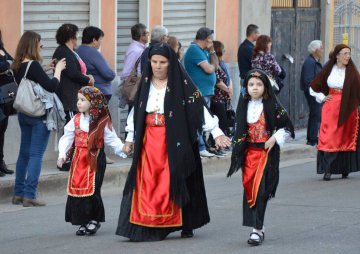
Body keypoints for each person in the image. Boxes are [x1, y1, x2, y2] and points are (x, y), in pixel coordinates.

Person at [116, 44, 231, 242]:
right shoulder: (145, 83)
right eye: (154, 62)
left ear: (171, 63)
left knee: (178, 180)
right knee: (149, 182)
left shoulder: (182, 84)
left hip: (176, 139)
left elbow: (199, 108)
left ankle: (184, 222)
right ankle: (149, 222)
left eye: (162, 62)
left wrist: (216, 132)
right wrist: (129, 138)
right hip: (149, 141)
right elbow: (137, 111)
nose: (158, 66)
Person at [227, 69, 294, 246]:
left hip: (266, 155)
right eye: (251, 85)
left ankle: (256, 229)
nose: (254, 88)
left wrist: (275, 138)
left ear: (265, 87)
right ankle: (259, 226)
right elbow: (239, 130)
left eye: (258, 84)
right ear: (246, 87)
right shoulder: (242, 106)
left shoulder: (273, 106)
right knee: (251, 192)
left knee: (262, 191)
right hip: (249, 155)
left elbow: (287, 128)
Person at [57, 86, 128, 236]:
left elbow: (111, 138)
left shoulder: (102, 121)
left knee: (93, 189)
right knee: (78, 189)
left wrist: (122, 148)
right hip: (78, 159)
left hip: (95, 158)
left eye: (83, 100)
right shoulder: (75, 119)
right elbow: (67, 137)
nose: (79, 103)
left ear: (93, 102)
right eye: (78, 100)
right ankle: (83, 220)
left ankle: (94, 220)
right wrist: (62, 154)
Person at [11, 31, 66, 206]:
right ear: (33, 45)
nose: (42, 46)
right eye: (40, 43)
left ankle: (18, 194)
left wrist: (47, 69)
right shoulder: (33, 65)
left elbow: (31, 79)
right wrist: (57, 71)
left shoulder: (18, 64)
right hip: (38, 116)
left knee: (24, 154)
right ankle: (30, 195)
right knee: (36, 155)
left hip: (24, 114)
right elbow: (51, 87)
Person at [310, 44, 360, 181]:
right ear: (337, 56)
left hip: (349, 108)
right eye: (345, 53)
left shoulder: (352, 72)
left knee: (345, 138)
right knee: (329, 137)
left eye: (349, 53)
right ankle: (327, 169)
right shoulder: (328, 70)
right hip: (331, 108)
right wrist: (323, 97)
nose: (348, 56)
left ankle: (344, 168)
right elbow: (312, 88)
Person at [184, 27, 219, 158]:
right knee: (199, 120)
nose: (212, 42)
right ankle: (200, 147)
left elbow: (216, 66)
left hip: (206, 92)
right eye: (211, 40)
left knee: (205, 121)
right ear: (207, 39)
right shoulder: (194, 50)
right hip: (199, 92)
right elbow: (210, 69)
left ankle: (203, 146)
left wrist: (213, 51)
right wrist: (212, 63)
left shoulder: (204, 51)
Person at [53, 23, 95, 124]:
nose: (78, 38)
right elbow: (73, 73)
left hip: (74, 96)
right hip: (69, 99)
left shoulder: (69, 51)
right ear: (72, 37)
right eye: (77, 35)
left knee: (74, 130)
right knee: (71, 129)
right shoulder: (63, 52)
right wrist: (88, 80)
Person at [77, 26, 115, 102]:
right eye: (100, 39)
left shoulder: (78, 50)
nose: (101, 42)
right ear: (94, 40)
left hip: (84, 91)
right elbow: (108, 74)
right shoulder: (93, 53)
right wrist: (113, 73)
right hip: (99, 91)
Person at [208, 40, 233, 157]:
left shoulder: (220, 64)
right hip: (216, 98)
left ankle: (218, 145)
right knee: (219, 122)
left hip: (222, 98)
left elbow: (228, 78)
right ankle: (214, 145)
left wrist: (229, 88)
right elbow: (217, 81)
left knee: (223, 123)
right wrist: (228, 90)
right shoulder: (214, 64)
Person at [300, 40, 324, 146]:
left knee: (315, 114)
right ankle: (312, 139)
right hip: (313, 93)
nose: (322, 50)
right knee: (316, 114)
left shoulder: (314, 60)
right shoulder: (310, 62)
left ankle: (312, 138)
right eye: (321, 48)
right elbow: (308, 80)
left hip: (316, 92)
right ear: (315, 50)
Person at [0, 29, 15, 177]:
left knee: (2, 129)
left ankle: (1, 162)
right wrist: (6, 66)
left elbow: (13, 61)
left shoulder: (2, 48)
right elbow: (7, 64)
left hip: (7, 94)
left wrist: (7, 65)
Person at [238, 24, 259, 90]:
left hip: (247, 79)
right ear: (253, 34)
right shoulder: (247, 47)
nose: (259, 35)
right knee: (247, 100)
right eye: (257, 33)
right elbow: (256, 63)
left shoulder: (246, 46)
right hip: (248, 80)